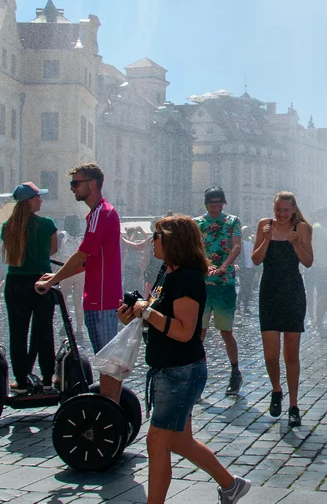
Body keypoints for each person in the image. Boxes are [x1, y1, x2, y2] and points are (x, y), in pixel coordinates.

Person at [118, 215, 252, 504]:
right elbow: (158, 315)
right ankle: (232, 485)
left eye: (156, 236)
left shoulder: (188, 278)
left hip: (179, 370)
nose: (152, 241)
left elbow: (183, 331)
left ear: (172, 241)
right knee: (178, 440)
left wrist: (147, 313)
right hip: (169, 368)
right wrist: (134, 314)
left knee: (157, 442)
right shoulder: (167, 271)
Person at [37, 163, 124, 401]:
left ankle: (108, 412)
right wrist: (57, 277)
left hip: (102, 297)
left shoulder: (100, 213)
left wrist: (54, 278)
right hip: (98, 295)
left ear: (92, 184)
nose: (72, 188)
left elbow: (82, 255)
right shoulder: (98, 213)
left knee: (108, 362)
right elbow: (89, 262)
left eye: (76, 183)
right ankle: (110, 408)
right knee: (107, 360)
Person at [251, 191, 314, 427]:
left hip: (293, 292)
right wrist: (266, 239)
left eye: (286, 210)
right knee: (270, 354)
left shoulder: (302, 229)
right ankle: (276, 389)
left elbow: (308, 262)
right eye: (278, 209)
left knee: (291, 353)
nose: (281, 214)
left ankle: (294, 404)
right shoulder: (264, 226)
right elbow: (256, 260)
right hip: (269, 291)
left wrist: (297, 244)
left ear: (294, 210)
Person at [2, 182, 59, 394]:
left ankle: (21, 381)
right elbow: (52, 250)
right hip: (41, 282)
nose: (41, 200)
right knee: (44, 331)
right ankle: (46, 379)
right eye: (38, 197)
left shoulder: (8, 227)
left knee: (18, 333)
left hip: (16, 283)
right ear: (30, 201)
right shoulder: (47, 224)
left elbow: (12, 253)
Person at [195, 187, 245, 396]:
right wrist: (203, 265)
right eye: (212, 202)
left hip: (224, 283)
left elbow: (236, 246)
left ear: (224, 203)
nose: (216, 206)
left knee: (226, 331)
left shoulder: (232, 221)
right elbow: (194, 248)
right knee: (199, 333)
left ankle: (235, 372)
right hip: (202, 284)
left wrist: (225, 265)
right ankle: (197, 377)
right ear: (206, 204)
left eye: (219, 202)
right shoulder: (197, 223)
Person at [308, 210, 327, 331]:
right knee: (325, 295)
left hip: (324, 266)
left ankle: (319, 320)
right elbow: (313, 246)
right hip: (322, 267)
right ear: (324, 217)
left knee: (324, 295)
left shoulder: (319, 228)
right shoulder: (318, 229)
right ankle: (318, 321)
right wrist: (316, 260)